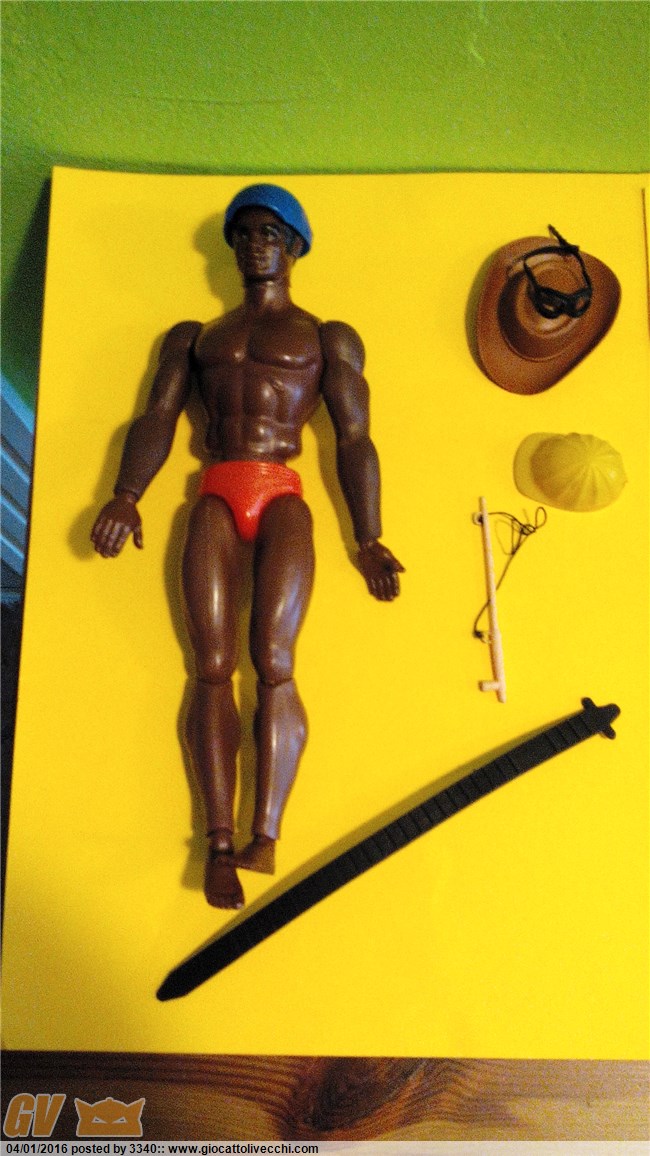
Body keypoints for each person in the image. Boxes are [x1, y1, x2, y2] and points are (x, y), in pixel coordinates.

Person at [91, 184, 404, 910]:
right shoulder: (195, 337)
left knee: (275, 662)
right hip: (216, 489)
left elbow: (355, 438)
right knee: (209, 666)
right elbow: (158, 415)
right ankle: (219, 845)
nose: (256, 244)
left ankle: (267, 832)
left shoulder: (327, 336)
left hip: (282, 492)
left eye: (270, 233)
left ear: (295, 246)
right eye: (244, 233)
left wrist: (369, 536)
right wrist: (126, 494)